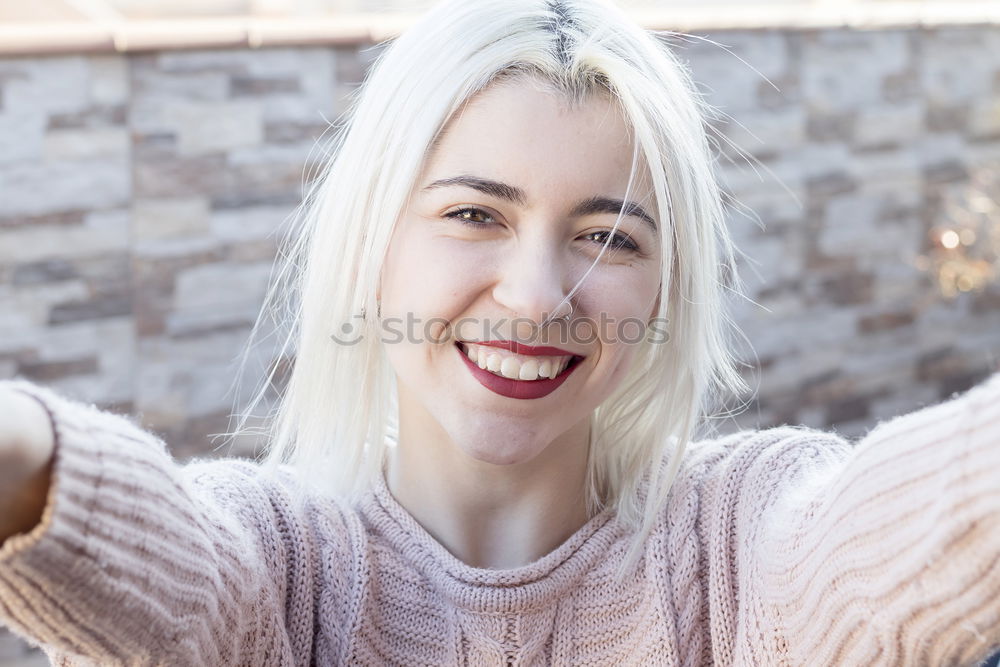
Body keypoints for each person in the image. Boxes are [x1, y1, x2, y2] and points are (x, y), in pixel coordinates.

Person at [1, 0, 998, 664]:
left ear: (664, 286)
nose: (535, 295)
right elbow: (155, 569)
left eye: (606, 236)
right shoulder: (278, 559)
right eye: (474, 214)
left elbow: (894, 534)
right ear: (372, 245)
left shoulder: (735, 540)